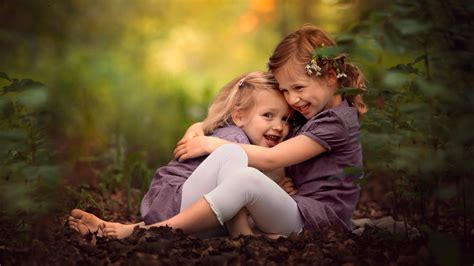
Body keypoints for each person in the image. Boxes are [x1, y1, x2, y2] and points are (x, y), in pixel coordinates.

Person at [173, 24, 368, 233]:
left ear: (330, 77)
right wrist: (201, 126)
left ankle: (163, 229)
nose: (293, 99)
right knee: (239, 175)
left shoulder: (336, 122)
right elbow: (249, 121)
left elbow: (271, 158)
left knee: (245, 179)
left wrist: (211, 144)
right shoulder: (309, 111)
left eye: (299, 87)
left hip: (318, 219)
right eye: (285, 90)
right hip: (296, 207)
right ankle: (165, 227)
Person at [68, 71, 296, 239]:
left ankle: (113, 230)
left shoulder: (241, 140)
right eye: (268, 115)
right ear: (239, 117)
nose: (279, 126)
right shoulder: (233, 138)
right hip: (175, 198)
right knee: (232, 155)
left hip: (187, 208)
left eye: (285, 119)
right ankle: (243, 236)